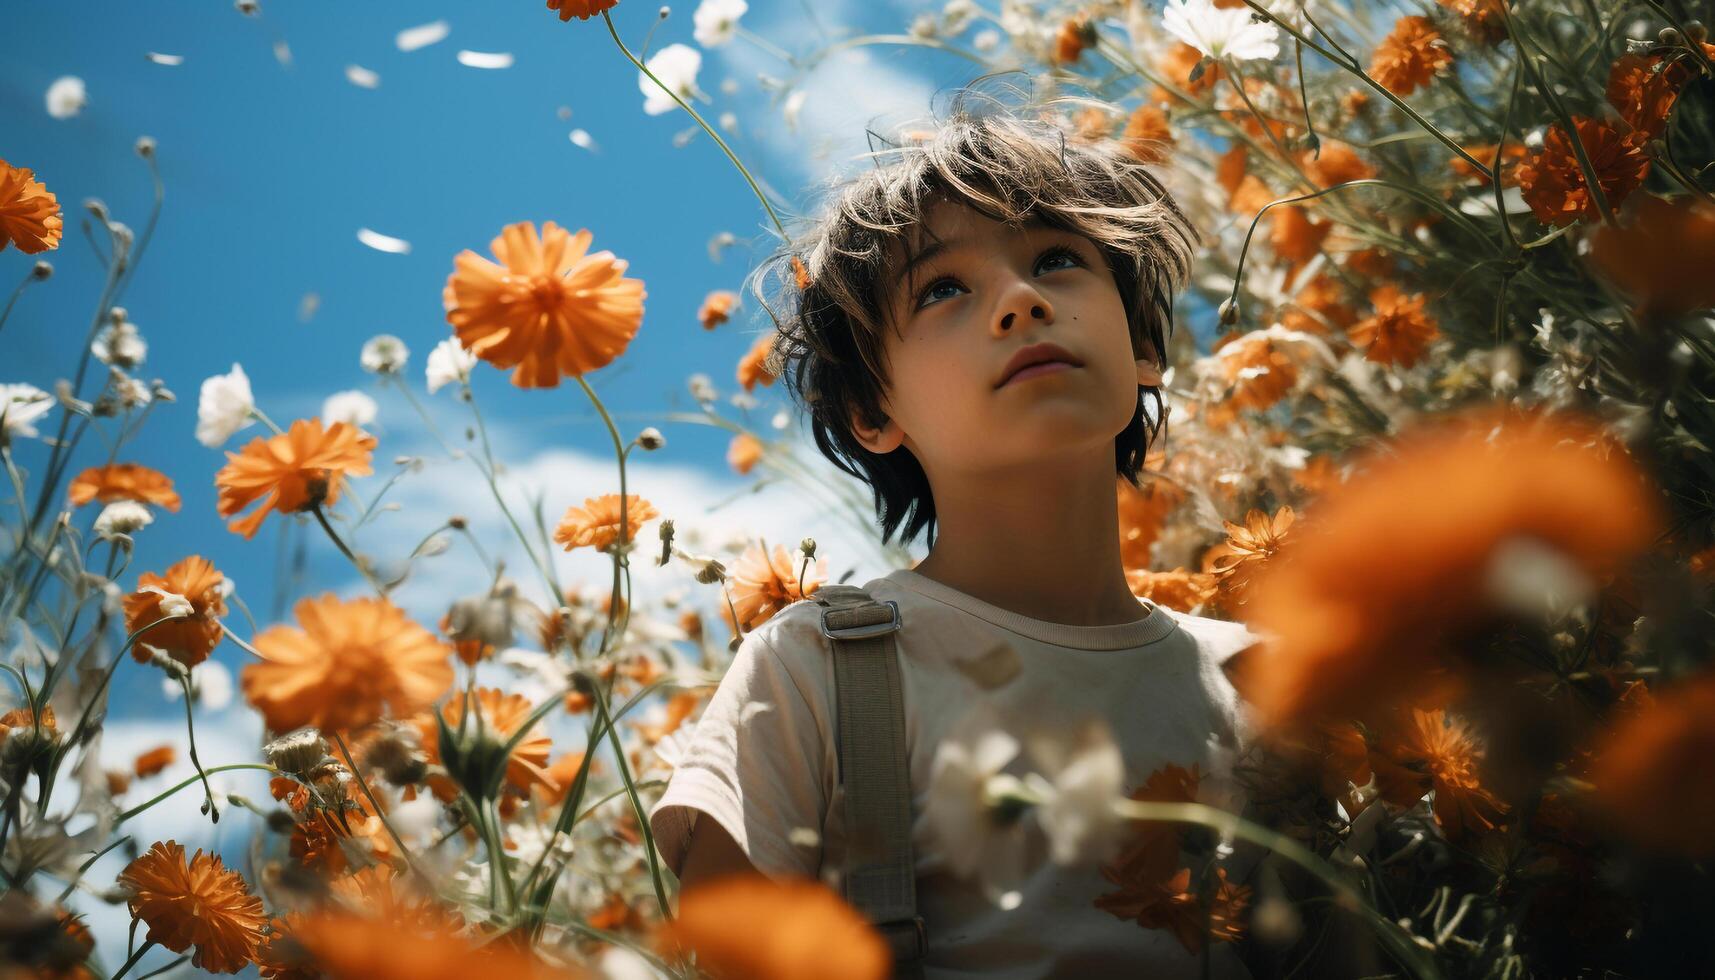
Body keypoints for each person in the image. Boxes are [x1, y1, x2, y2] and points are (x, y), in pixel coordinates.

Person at [647, 83, 1262, 978]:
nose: (1018, 300)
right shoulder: (818, 666)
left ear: (1143, 350)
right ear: (870, 411)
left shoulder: (1272, 677)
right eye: (941, 288)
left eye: (1056, 259)